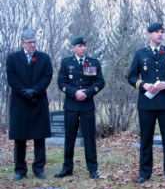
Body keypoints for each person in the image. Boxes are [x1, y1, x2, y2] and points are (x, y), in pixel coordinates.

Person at [128, 23, 165, 186]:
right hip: (147, 104)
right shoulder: (140, 54)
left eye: (162, 32)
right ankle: (144, 174)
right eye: (156, 32)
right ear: (149, 34)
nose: (160, 34)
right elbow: (131, 77)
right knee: (146, 140)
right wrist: (143, 85)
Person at [55, 36, 105, 179]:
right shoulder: (66, 63)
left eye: (84, 46)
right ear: (73, 48)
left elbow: (100, 82)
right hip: (71, 105)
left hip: (87, 105)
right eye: (80, 46)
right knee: (69, 137)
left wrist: (87, 93)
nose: (83, 48)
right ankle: (67, 167)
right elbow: (61, 82)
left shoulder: (93, 63)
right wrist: (74, 93)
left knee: (89, 137)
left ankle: (93, 169)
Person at [6, 29, 53, 180]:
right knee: (20, 138)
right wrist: (25, 92)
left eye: (34, 42)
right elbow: (12, 79)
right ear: (22, 43)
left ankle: (39, 168)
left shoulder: (44, 58)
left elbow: (47, 76)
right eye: (29, 42)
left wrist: (35, 91)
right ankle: (20, 170)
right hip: (20, 103)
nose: (32, 45)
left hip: (38, 101)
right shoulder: (12, 58)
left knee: (39, 138)